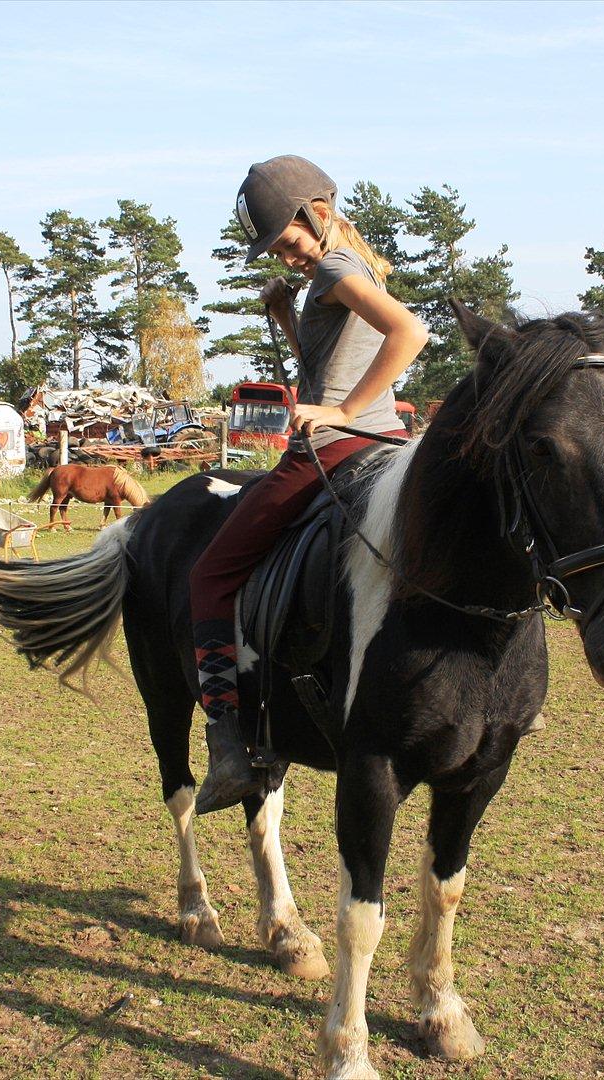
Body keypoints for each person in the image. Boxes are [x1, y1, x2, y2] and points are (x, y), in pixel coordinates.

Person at [191, 155, 429, 814]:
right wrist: (290, 321)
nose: (287, 255)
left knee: (208, 576)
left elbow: (409, 333)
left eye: (288, 239)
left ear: (316, 211)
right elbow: (330, 366)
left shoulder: (332, 266)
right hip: (389, 449)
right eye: (275, 249)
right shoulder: (355, 265)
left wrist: (344, 414)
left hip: (329, 449)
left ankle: (228, 745)